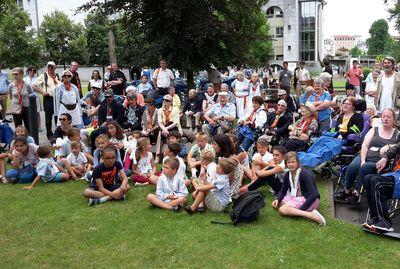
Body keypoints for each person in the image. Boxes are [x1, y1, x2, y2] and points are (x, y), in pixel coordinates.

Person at [335, 109, 399, 204]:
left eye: (389, 117)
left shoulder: (397, 134)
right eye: (384, 116)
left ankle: (357, 194)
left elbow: (398, 147)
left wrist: (389, 146)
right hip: (365, 156)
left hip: (380, 162)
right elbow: (364, 145)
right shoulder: (375, 129)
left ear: (394, 119)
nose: (385, 119)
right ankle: (347, 190)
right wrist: (363, 160)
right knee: (353, 167)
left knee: (365, 167)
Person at [272, 151, 326, 226]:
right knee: (282, 202)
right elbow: (283, 190)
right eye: (288, 162)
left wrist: (301, 209)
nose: (291, 164)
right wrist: (277, 199)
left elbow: (314, 194)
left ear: (297, 162)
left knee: (282, 209)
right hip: (297, 197)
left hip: (310, 200)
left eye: (293, 162)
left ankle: (311, 215)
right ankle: (295, 210)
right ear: (286, 164)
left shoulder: (305, 173)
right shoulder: (287, 175)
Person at [363, 140, 400, 232]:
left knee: (378, 183)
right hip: (397, 174)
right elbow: (395, 148)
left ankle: (385, 223)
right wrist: (385, 157)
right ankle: (375, 219)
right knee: (368, 179)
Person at [32, 61, 60, 140]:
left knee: (57, 117)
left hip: (57, 99)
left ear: (55, 68)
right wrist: (43, 92)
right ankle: (49, 134)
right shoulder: (44, 75)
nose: (50, 68)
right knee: (48, 118)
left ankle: (57, 133)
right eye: (49, 67)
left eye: (52, 67)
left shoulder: (56, 76)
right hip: (48, 99)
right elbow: (34, 85)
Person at [212, 134, 243, 198]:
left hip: (227, 189)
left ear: (222, 146)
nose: (212, 146)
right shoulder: (223, 156)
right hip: (220, 183)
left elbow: (229, 181)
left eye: (214, 144)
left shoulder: (232, 161)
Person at [155, 94, 182, 162]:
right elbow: (160, 123)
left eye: (167, 100)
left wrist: (165, 129)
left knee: (169, 135)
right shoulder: (159, 110)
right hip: (164, 129)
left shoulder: (175, 109)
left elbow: (175, 123)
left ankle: (171, 154)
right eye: (163, 100)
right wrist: (164, 129)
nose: (164, 101)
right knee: (160, 134)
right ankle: (158, 155)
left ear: (171, 102)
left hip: (175, 128)